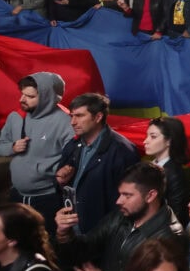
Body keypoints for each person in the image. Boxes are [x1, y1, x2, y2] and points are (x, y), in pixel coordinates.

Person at [55, 162, 182, 271]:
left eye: (127, 195)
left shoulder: (170, 238)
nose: (118, 201)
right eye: (120, 193)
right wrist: (64, 233)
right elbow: (84, 249)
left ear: (150, 196)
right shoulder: (121, 216)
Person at [0, 73, 73, 228]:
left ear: (47, 97)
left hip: (48, 198)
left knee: (48, 241)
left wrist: (48, 170)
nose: (21, 100)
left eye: (30, 96)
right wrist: (12, 147)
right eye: (22, 94)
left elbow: (73, 159)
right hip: (17, 194)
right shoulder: (16, 117)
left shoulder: (65, 122)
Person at [54, 92, 138, 234]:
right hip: (74, 233)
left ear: (98, 117)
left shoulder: (122, 151)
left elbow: (128, 201)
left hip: (104, 237)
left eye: (79, 116)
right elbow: (62, 188)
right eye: (72, 116)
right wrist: (60, 181)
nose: (72, 122)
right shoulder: (72, 146)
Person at [140, 115, 190, 226]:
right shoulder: (149, 166)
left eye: (153, 137)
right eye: (147, 136)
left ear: (169, 140)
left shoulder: (174, 174)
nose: (145, 141)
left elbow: (176, 215)